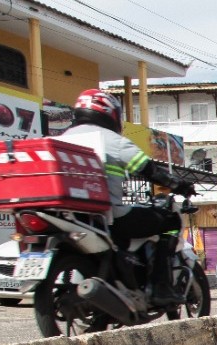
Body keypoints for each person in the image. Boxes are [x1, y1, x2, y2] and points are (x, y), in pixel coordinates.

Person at [54, 89, 197, 307]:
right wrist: (179, 184)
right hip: (112, 217)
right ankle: (160, 286)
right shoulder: (112, 140)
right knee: (170, 221)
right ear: (111, 113)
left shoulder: (60, 139)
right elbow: (149, 169)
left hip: (72, 216)